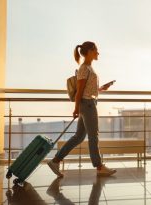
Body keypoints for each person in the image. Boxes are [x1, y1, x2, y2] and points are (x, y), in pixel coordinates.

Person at [48, 41, 116, 177]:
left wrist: (101, 88)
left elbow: (87, 89)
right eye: (96, 50)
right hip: (88, 105)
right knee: (93, 136)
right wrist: (76, 108)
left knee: (79, 137)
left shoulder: (89, 68)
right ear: (90, 51)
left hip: (88, 103)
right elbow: (79, 92)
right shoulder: (84, 68)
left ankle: (55, 160)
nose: (98, 52)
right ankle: (99, 166)